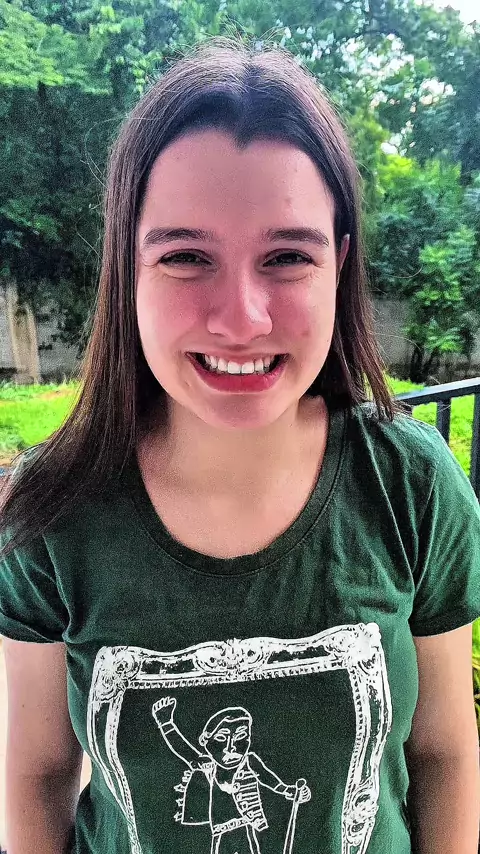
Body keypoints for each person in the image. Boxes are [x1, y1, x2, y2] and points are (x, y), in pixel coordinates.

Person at [0, 37, 479, 854]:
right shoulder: (53, 511)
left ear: (338, 266)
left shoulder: (412, 486)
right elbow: (38, 773)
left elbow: (442, 753)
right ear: (128, 268)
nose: (242, 318)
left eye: (287, 256)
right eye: (186, 256)